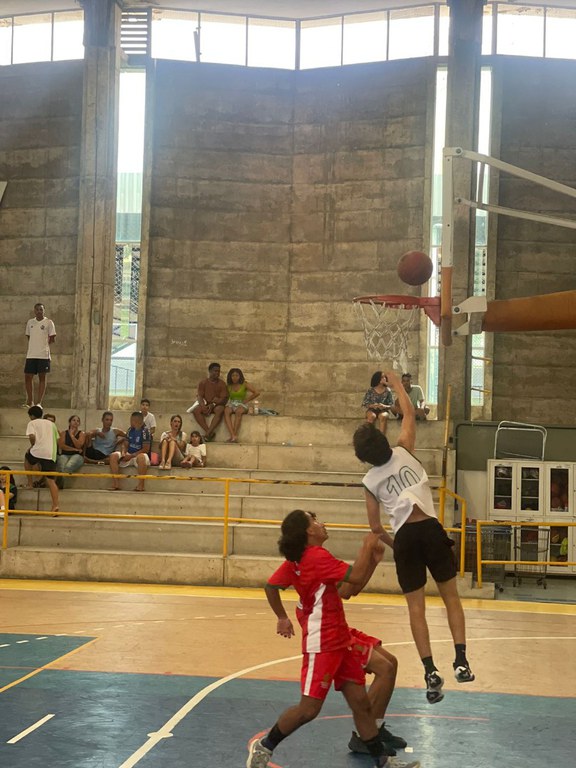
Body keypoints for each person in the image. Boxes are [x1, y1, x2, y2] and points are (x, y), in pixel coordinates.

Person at [247, 509, 420, 768]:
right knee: (308, 709)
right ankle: (264, 747)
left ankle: (383, 762)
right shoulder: (316, 556)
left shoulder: (301, 559)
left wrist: (282, 617)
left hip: (340, 639)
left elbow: (275, 586)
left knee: (361, 703)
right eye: (315, 521)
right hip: (323, 642)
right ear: (309, 531)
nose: (322, 524)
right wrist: (367, 544)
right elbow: (357, 578)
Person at [353, 370, 474, 705]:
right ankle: (461, 661)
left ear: (364, 457)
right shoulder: (404, 450)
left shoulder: (369, 482)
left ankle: (430, 670)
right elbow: (407, 412)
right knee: (451, 598)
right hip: (431, 531)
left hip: (405, 537)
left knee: (416, 609)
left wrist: (399, 546)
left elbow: (376, 529)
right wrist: (395, 384)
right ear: (384, 441)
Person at [24, 405, 59, 512]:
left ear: (32, 416)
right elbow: (57, 438)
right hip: (50, 454)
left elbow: (32, 437)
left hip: (37, 451)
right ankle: (55, 505)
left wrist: (33, 445)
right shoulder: (52, 424)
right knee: (51, 481)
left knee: (27, 457)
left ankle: (30, 483)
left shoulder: (32, 423)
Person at [23, 303, 56, 408]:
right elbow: (29, 336)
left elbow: (52, 338)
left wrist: (43, 346)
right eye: (37, 309)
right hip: (31, 354)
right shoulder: (30, 322)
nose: (39, 311)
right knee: (28, 377)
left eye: (41, 309)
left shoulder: (49, 322)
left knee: (42, 377)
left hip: (43, 355)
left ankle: (38, 403)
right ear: (34, 311)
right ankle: (29, 401)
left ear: (44, 311)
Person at [109, 412, 151, 492]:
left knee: (141, 457)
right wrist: (124, 452)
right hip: (129, 455)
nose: (130, 422)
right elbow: (125, 444)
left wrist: (131, 456)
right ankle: (116, 484)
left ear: (136, 421)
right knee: (113, 456)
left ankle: (141, 485)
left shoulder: (145, 431)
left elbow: (146, 449)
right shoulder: (130, 430)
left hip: (139, 456)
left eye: (131, 420)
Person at [189, 362, 228, 442]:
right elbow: (200, 396)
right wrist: (203, 406)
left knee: (220, 409)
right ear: (210, 371)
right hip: (206, 403)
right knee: (196, 410)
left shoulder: (222, 384)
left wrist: (213, 404)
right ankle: (209, 432)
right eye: (215, 371)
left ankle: (207, 434)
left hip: (216, 405)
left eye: (218, 371)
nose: (217, 373)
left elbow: (224, 399)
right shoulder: (203, 383)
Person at [223, 367, 259, 443]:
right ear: (230, 376)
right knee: (226, 411)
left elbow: (256, 392)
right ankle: (233, 435)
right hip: (232, 403)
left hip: (242, 404)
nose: (235, 377)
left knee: (238, 411)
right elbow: (225, 396)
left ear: (240, 376)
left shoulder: (244, 384)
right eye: (233, 375)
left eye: (237, 375)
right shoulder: (229, 386)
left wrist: (246, 401)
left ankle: (234, 434)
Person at [56, 415, 85, 487]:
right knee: (61, 466)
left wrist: (72, 435)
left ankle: (57, 484)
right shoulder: (64, 433)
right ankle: (59, 485)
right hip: (65, 454)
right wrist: (74, 449)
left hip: (77, 456)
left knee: (68, 467)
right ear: (69, 422)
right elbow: (62, 446)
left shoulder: (82, 434)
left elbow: (79, 445)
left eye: (78, 421)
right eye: (73, 420)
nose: (76, 422)